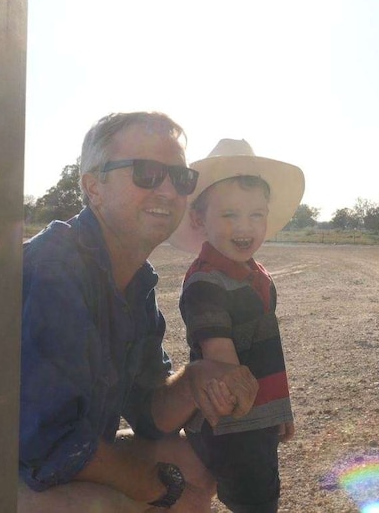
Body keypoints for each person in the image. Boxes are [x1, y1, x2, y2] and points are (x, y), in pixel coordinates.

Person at [18, 113, 259, 512]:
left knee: (198, 467)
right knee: (122, 504)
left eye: (180, 178)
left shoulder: (137, 283)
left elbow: (148, 413)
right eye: (146, 173)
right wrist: (152, 488)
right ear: (94, 187)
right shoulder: (55, 266)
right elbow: (48, 444)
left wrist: (196, 379)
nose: (167, 190)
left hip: (47, 455)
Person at [168, 139, 305, 512]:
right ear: (199, 219)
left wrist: (279, 410)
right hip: (233, 428)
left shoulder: (256, 275)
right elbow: (225, 368)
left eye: (256, 215)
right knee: (257, 504)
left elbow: (266, 355)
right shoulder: (206, 284)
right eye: (229, 215)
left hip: (254, 424)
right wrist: (256, 421)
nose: (245, 227)